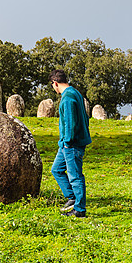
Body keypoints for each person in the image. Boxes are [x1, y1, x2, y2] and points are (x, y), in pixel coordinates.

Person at [49, 69, 91, 218]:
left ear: (55, 83)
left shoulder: (67, 98)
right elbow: (86, 118)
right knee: (56, 170)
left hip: (71, 144)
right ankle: (72, 197)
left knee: (75, 175)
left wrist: (67, 142)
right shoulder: (75, 93)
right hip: (66, 143)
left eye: (52, 85)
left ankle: (79, 209)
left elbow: (70, 123)